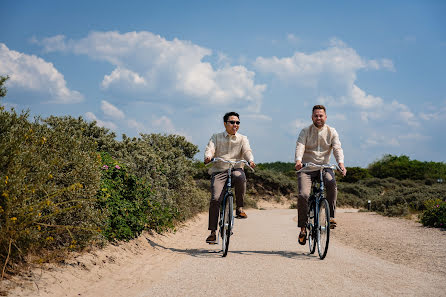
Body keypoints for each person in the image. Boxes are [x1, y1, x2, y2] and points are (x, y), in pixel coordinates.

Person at [294, 105, 347, 245]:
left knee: (331, 183)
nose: (318, 118)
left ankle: (331, 217)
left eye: (321, 115)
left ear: (325, 117)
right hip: (307, 167)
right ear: (312, 117)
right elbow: (300, 146)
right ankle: (303, 228)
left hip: (324, 167)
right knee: (303, 195)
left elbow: (337, 148)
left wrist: (340, 163)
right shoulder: (305, 131)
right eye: (316, 115)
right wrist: (298, 160)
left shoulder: (332, 131)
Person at [204, 111, 256, 244]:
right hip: (220, 170)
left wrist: (250, 160)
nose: (235, 125)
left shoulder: (242, 138)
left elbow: (247, 151)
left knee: (240, 176)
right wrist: (208, 156)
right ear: (225, 124)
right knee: (215, 199)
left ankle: (239, 208)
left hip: (235, 169)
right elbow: (210, 148)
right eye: (232, 122)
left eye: (237, 122)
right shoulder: (216, 137)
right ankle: (212, 233)